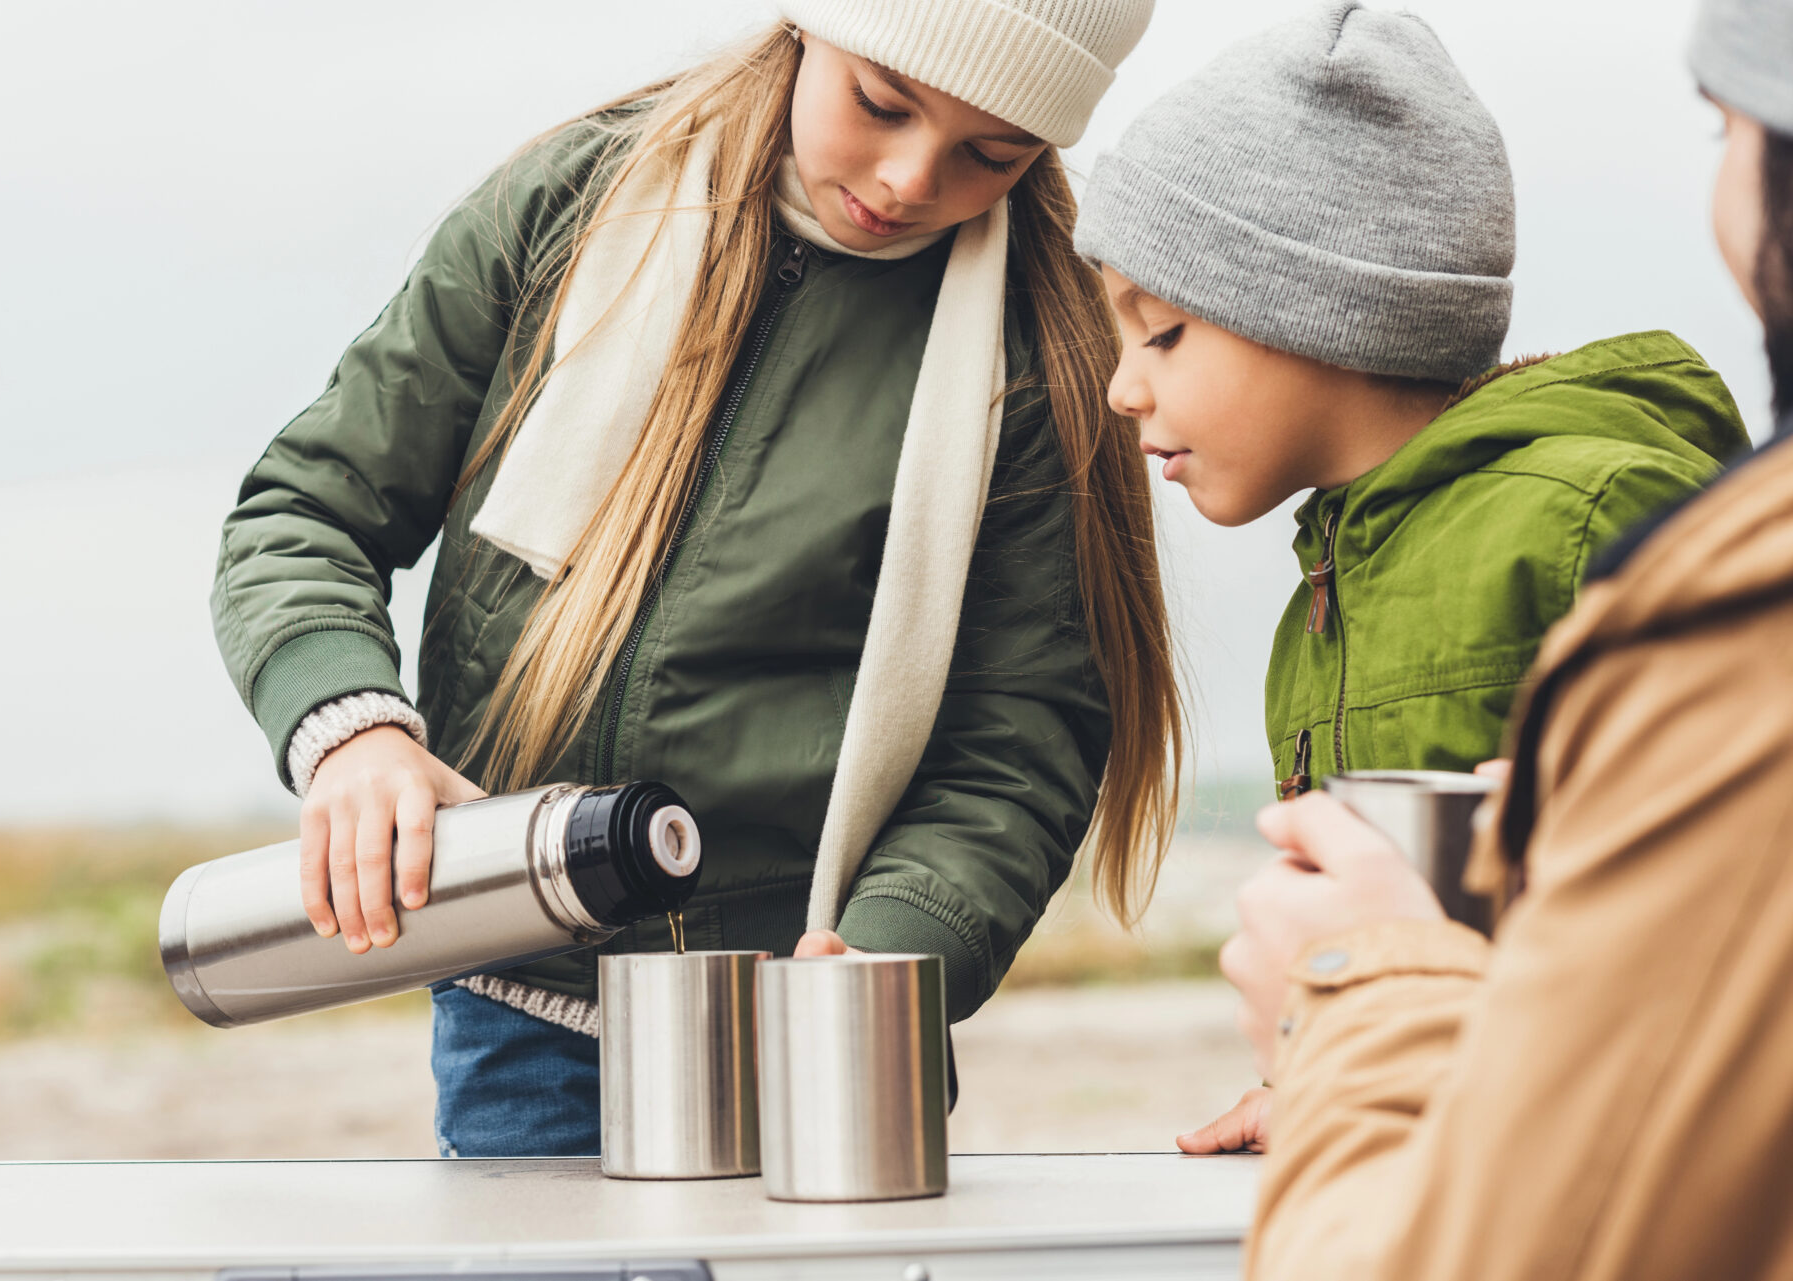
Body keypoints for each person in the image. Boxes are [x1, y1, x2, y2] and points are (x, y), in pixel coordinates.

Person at [209, 1, 1183, 1158]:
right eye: (881, 102)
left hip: (819, 1025)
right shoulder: (565, 204)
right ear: (807, 28)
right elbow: (308, 508)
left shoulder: (1044, 352)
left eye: (993, 153)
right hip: (518, 1008)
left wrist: (888, 954)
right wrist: (350, 731)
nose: (912, 177)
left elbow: (1019, 739)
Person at [1069, 0, 1748, 1153]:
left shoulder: (1588, 524)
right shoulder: (1324, 599)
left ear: (1323, 309)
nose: (1123, 388)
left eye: (1164, 332)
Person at [1211, 1, 1793, 1275]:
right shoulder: (1325, 582)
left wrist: (1357, 1005)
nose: (1119, 386)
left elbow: (1575, 1194)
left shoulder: (1678, 581)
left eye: (1724, 128)